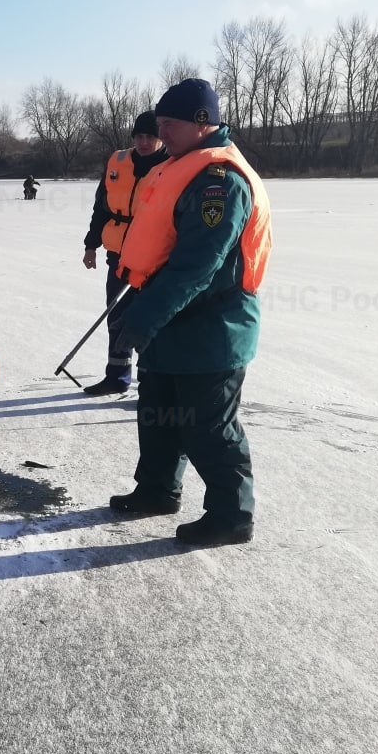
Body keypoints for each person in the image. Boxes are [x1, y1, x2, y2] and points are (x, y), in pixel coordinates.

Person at [106, 78, 273, 546]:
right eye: (157, 124)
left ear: (202, 123)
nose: (161, 132)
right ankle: (157, 490)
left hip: (211, 326)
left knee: (207, 426)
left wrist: (144, 316)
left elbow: (197, 265)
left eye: (169, 124)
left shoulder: (220, 181)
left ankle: (230, 516)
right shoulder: (179, 168)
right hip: (170, 321)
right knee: (158, 413)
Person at [80, 110, 168, 395]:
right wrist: (90, 245)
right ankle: (116, 376)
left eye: (150, 137)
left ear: (160, 138)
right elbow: (101, 208)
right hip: (118, 255)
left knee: (149, 320)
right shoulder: (118, 163)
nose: (143, 142)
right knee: (116, 315)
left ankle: (150, 384)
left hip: (155, 258)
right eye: (139, 136)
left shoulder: (172, 166)